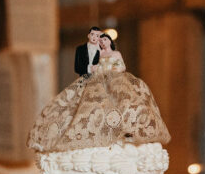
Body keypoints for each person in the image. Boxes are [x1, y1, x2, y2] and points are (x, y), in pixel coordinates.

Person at [28, 34, 170, 152]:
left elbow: (122, 66)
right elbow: (95, 66)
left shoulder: (116, 54)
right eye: (101, 41)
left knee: (122, 105)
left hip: (116, 81)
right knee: (93, 106)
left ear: (109, 41)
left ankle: (125, 132)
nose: (103, 42)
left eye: (105, 40)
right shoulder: (100, 54)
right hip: (98, 82)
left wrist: (110, 69)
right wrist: (94, 68)